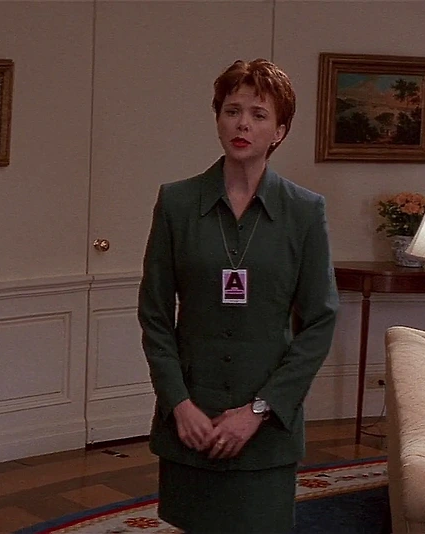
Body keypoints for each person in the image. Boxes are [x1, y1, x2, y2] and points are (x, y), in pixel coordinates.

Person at [136, 58, 339, 533]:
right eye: (232, 111)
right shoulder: (177, 203)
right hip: (191, 422)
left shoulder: (304, 212)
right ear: (218, 119)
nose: (242, 124)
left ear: (279, 131)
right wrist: (178, 403)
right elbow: (155, 315)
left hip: (265, 429)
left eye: (258, 114)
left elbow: (320, 321)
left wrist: (259, 410)